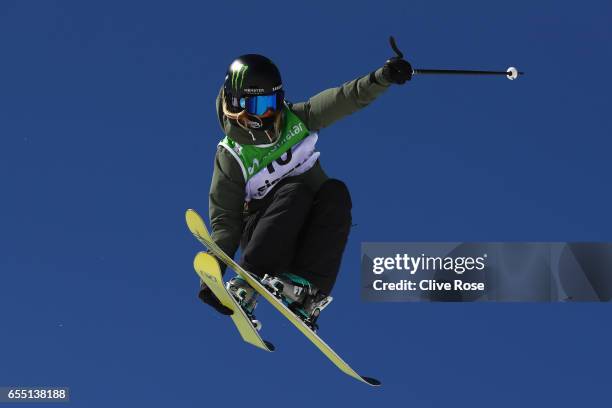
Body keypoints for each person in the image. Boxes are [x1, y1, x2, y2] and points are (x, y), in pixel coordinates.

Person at [198, 51, 412, 329]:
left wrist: (382, 78)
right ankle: (247, 285)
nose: (269, 114)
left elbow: (344, 99)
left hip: (303, 237)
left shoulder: (296, 119)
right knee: (295, 190)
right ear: (238, 105)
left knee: (336, 193)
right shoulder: (232, 156)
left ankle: (305, 290)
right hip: (263, 238)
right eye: (259, 105)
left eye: (272, 103)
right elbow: (225, 223)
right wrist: (212, 279)